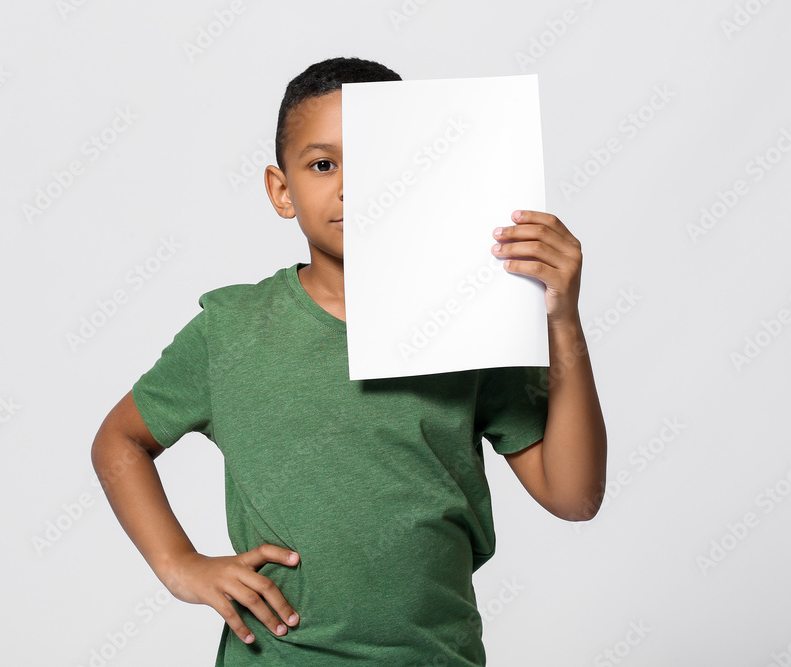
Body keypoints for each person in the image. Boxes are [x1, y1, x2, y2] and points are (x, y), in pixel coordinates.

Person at [90, 56, 607, 666]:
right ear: (281, 190)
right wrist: (179, 564)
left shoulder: (473, 323)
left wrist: (562, 318)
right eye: (323, 164)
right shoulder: (230, 329)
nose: (350, 185)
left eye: (378, 162)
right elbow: (119, 440)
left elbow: (574, 496)